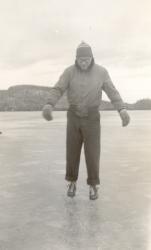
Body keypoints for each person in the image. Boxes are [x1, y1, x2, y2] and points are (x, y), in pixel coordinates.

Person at [42, 42, 130, 200]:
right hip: (74, 116)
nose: (84, 62)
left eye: (87, 59)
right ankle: (71, 182)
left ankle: (93, 185)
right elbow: (58, 88)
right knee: (72, 151)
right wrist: (49, 104)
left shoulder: (101, 72)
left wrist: (121, 109)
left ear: (91, 58)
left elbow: (112, 91)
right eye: (81, 60)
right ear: (76, 59)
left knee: (93, 153)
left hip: (92, 117)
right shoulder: (69, 72)